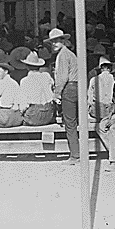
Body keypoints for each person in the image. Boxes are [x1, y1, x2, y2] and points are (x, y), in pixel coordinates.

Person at [45, 28, 79, 165]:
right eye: (52, 42)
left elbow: (62, 77)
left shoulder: (63, 55)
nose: (54, 44)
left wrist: (56, 94)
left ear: (64, 41)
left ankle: (75, 155)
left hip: (69, 88)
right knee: (74, 122)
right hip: (76, 86)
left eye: (57, 41)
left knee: (70, 123)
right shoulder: (69, 54)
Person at [19, 51, 55, 126]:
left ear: (26, 66)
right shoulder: (47, 76)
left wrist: (20, 113)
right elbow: (52, 87)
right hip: (49, 113)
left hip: (34, 113)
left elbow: (23, 104)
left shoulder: (25, 81)